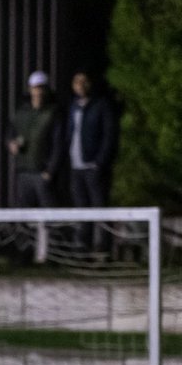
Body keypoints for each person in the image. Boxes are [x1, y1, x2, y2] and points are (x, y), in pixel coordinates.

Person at [64, 70, 118, 251]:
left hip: (93, 165)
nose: (80, 86)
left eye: (83, 82)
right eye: (76, 82)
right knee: (81, 207)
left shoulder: (100, 105)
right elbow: (70, 133)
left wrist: (100, 161)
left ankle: (103, 246)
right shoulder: (73, 106)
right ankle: (82, 246)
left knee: (99, 206)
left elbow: (109, 135)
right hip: (76, 166)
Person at [7, 71, 62, 208]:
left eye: (41, 88)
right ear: (30, 89)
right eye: (35, 88)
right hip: (24, 171)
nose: (38, 92)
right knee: (24, 213)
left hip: (42, 171)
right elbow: (10, 133)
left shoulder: (53, 113)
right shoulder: (22, 112)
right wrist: (11, 143)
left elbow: (58, 143)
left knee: (48, 212)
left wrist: (50, 170)